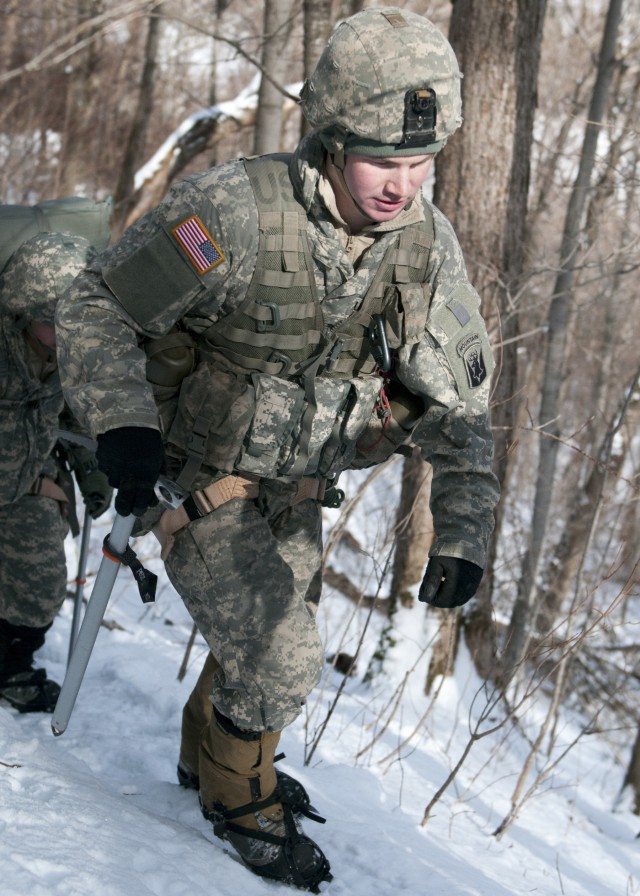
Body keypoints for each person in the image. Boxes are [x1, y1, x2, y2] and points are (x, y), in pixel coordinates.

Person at [56, 7, 500, 891]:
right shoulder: (230, 213)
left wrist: (462, 532)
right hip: (193, 475)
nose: (401, 186)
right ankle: (236, 799)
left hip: (296, 486)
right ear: (330, 142)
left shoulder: (422, 246)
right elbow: (93, 305)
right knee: (282, 654)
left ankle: (212, 761)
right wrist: (124, 423)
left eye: (420, 164)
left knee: (259, 640)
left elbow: (460, 397)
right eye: (382, 160)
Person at [0, 232, 113, 714]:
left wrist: (93, 471)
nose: (70, 332)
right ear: (25, 311)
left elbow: (73, 414)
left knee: (42, 582)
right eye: (57, 321)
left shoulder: (68, 352)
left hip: (24, 483)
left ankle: (9, 668)